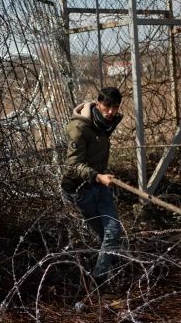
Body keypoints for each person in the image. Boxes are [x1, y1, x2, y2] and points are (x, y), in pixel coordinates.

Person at [61, 87, 124, 286]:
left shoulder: (106, 123)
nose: (111, 112)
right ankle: (100, 279)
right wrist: (97, 176)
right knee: (104, 234)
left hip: (99, 184)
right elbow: (72, 166)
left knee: (112, 232)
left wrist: (100, 178)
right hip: (80, 189)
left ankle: (100, 276)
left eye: (115, 107)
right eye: (107, 106)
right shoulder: (79, 128)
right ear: (98, 104)